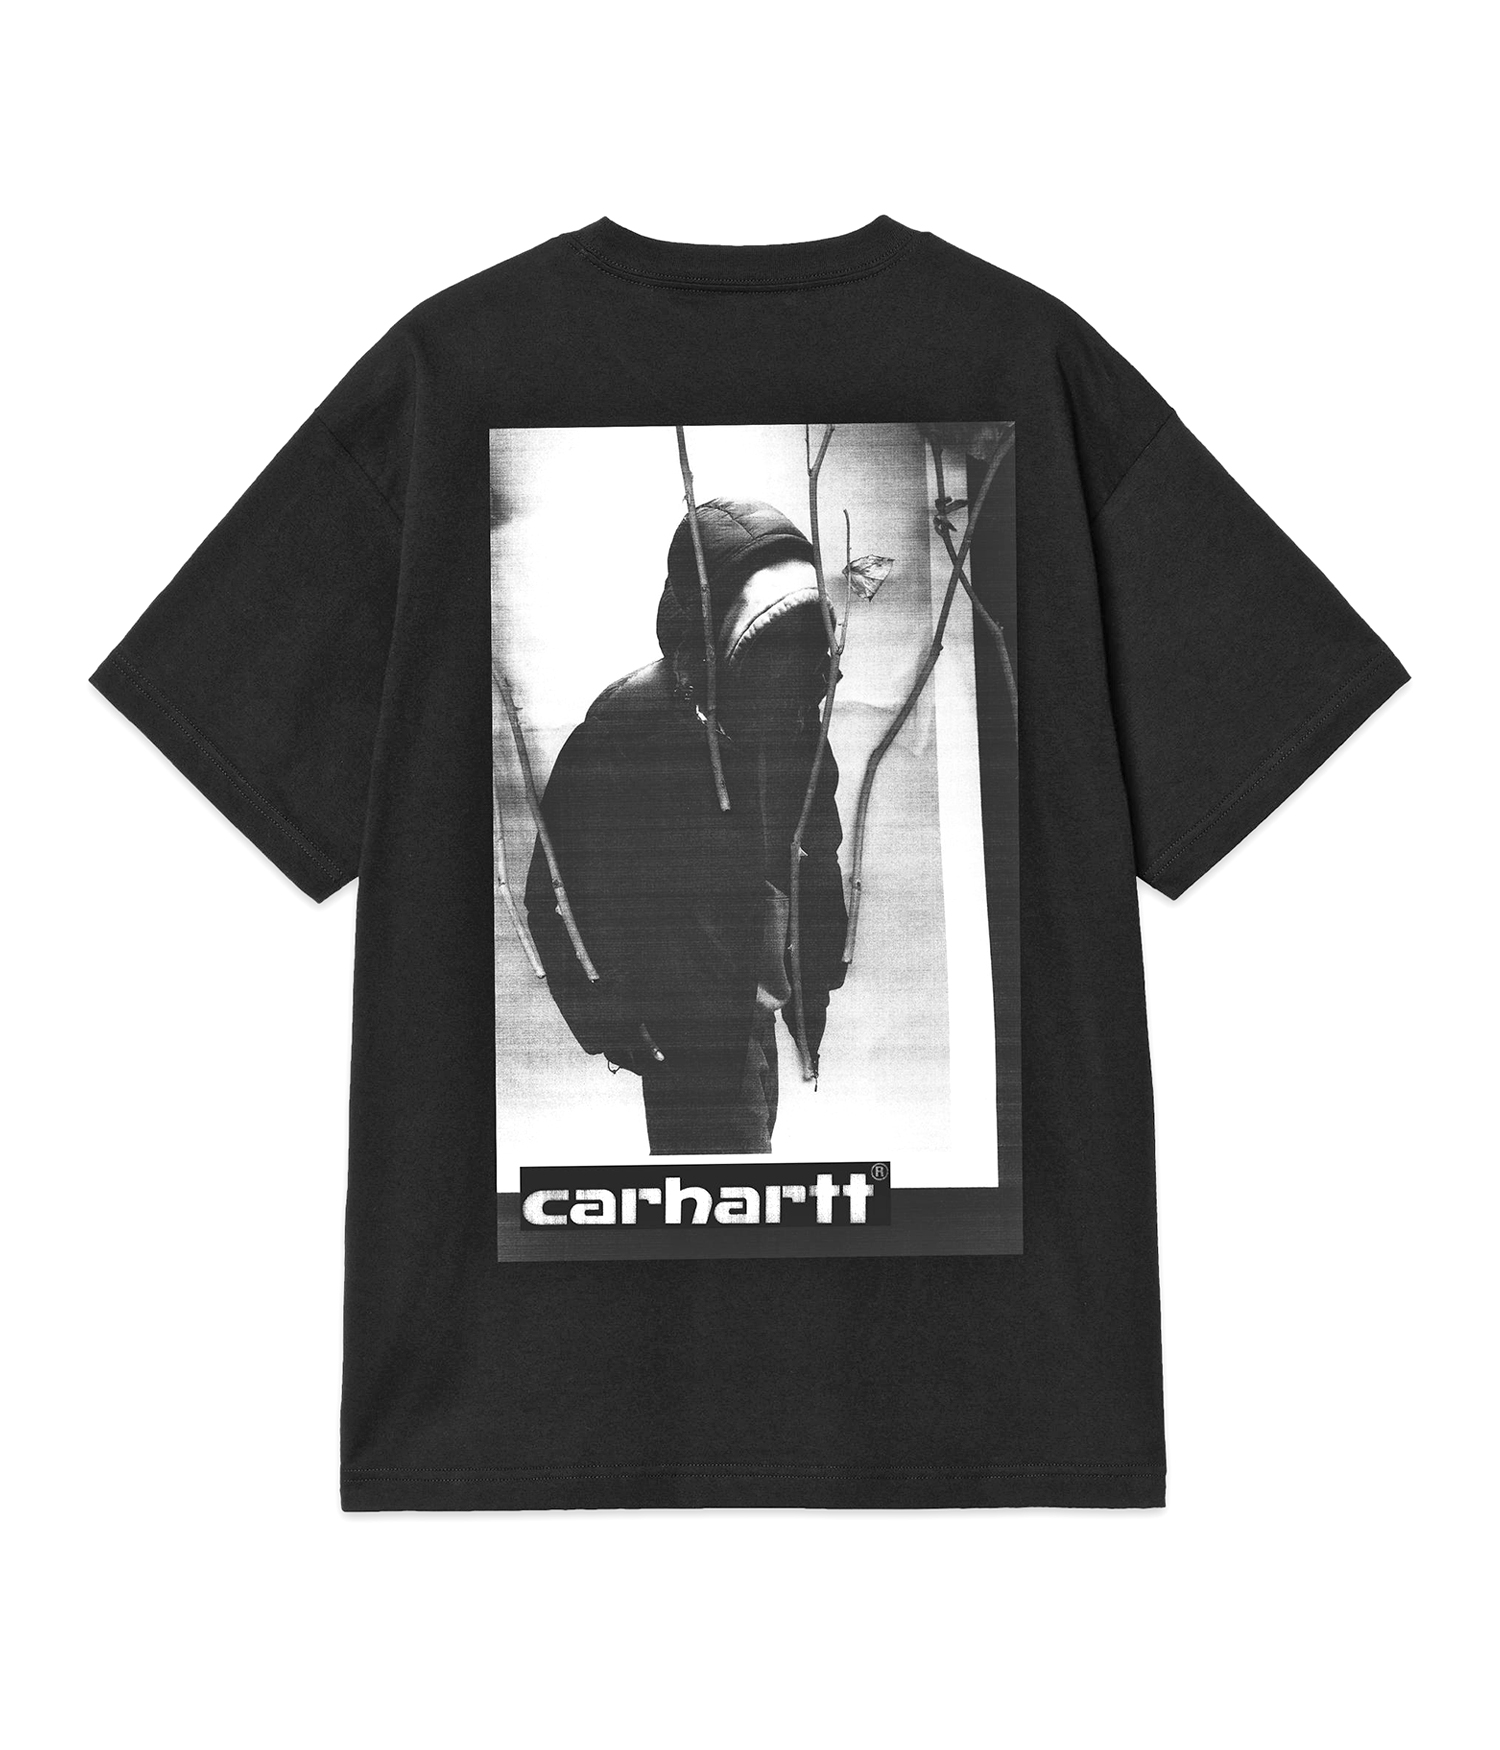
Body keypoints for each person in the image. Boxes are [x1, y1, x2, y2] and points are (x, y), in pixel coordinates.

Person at [524, 498, 848, 1155]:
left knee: (741, 1176)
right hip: (682, 1025)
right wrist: (610, 1017)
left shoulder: (793, 723)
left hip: (757, 1006)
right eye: (768, 639)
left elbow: (816, 856)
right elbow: (556, 894)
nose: (785, 663)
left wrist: (811, 990)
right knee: (720, 1179)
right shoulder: (626, 730)